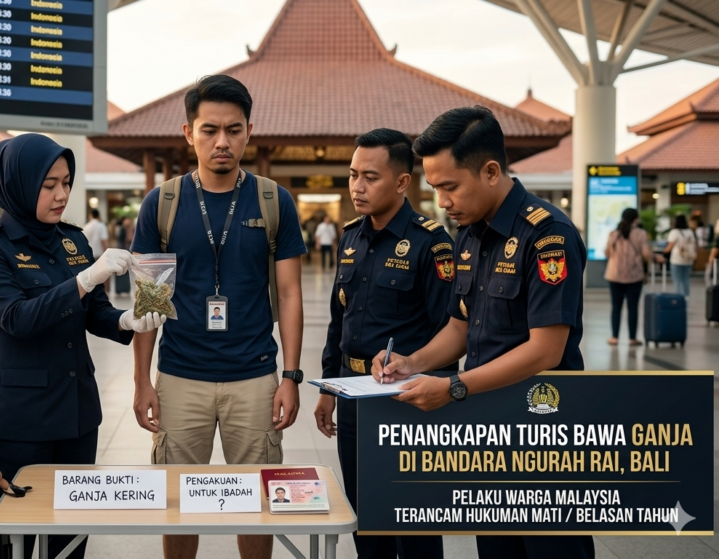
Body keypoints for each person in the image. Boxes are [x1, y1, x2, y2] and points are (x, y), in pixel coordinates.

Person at [377, 107, 592, 559]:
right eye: (435, 188)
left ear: (491, 171)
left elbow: (545, 350)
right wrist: (411, 363)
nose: (442, 201)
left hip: (543, 432)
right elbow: (460, 325)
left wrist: (453, 386)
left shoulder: (548, 235)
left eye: (450, 186)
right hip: (487, 433)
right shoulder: (469, 237)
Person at [130, 75, 306, 559]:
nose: (221, 141)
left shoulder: (274, 201)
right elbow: (149, 302)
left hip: (254, 378)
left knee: (257, 502)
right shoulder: (162, 204)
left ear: (250, 130)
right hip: (181, 375)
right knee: (178, 503)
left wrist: (289, 377)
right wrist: (142, 381)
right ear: (189, 133)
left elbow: (290, 295)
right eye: (209, 130)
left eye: (233, 129)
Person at [0, 133, 165, 559]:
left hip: (76, 413)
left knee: (71, 535)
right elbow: (17, 319)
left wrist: (127, 321)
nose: (62, 195)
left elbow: (95, 311)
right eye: (49, 184)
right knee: (13, 537)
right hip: (19, 420)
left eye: (67, 182)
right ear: (18, 184)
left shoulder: (72, 240)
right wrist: (85, 279)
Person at [316, 128, 450, 559]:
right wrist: (328, 389)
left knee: (412, 521)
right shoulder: (351, 236)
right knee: (364, 517)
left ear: (402, 181)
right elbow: (340, 320)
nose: (357, 186)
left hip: (405, 402)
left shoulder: (432, 243)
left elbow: (448, 330)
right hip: (353, 399)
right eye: (353, 175)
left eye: (370, 177)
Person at [604, 208, 654, 346]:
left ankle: (614, 337)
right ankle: (632, 338)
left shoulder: (613, 234)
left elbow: (607, 253)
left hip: (614, 275)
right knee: (633, 307)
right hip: (634, 276)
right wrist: (654, 257)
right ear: (635, 219)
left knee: (616, 307)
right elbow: (646, 254)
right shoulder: (640, 234)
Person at [663, 214, 696, 297]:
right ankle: (686, 299)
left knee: (677, 281)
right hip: (688, 259)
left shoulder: (674, 232)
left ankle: (678, 299)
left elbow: (669, 247)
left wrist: (662, 252)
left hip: (677, 259)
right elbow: (694, 245)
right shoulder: (690, 231)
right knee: (686, 280)